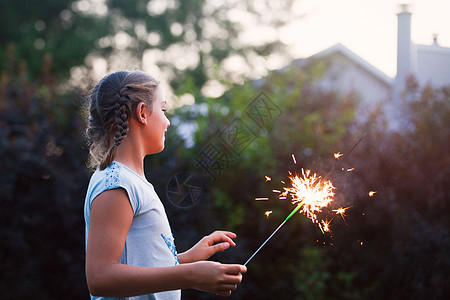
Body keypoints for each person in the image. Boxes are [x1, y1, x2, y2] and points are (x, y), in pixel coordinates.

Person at [83, 70, 246, 299]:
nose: (168, 122)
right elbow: (101, 278)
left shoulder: (130, 181)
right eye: (163, 109)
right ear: (142, 113)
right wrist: (189, 275)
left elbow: (138, 261)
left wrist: (186, 258)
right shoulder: (116, 184)